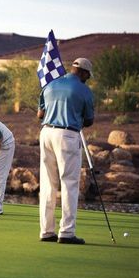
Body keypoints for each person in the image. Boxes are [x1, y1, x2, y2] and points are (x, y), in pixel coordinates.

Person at [37, 58, 95, 244]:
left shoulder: (51, 84)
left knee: (48, 184)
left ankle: (46, 231)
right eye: (88, 75)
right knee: (69, 183)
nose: (88, 79)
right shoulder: (84, 90)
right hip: (68, 135)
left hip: (46, 132)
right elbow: (89, 121)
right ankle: (67, 233)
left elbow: (40, 114)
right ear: (84, 72)